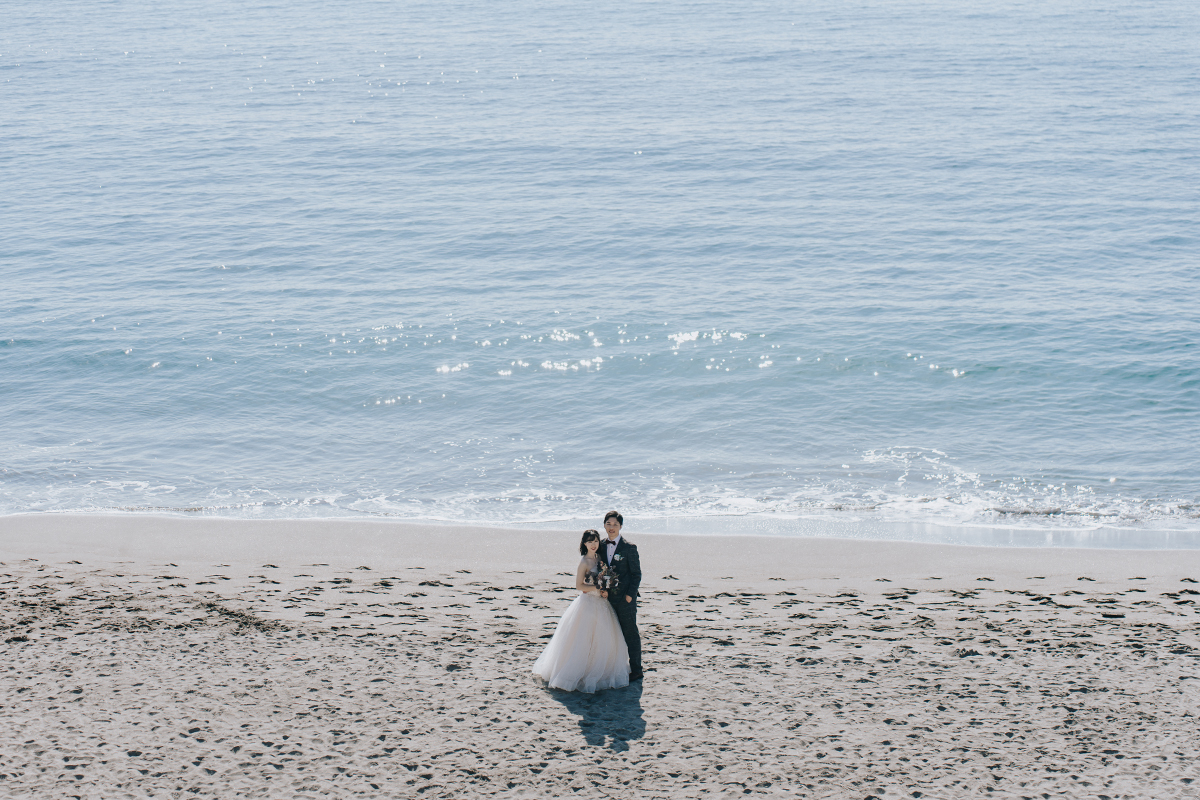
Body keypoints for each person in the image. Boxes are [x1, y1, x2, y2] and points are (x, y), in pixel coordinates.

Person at [532, 529, 630, 692]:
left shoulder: (600, 559)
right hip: (587, 604)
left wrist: (605, 590)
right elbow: (579, 586)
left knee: (602, 639)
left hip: (601, 603)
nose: (593, 544)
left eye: (596, 541)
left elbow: (606, 578)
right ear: (584, 544)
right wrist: (597, 587)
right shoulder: (584, 562)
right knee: (583, 639)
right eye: (590, 541)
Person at [600, 510, 643, 681]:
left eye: (615, 524)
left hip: (625, 599)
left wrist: (629, 596)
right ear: (604, 525)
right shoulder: (601, 545)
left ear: (621, 526)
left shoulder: (629, 548)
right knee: (610, 633)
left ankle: (637, 669)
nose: (611, 527)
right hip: (606, 599)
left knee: (630, 632)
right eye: (608, 524)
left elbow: (636, 574)